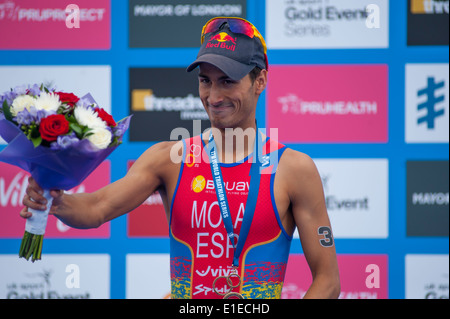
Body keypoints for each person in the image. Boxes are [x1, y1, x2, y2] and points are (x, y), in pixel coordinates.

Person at [20, 17, 340, 299]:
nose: (214, 97)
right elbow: (97, 208)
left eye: (227, 81)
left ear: (260, 81)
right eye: (205, 81)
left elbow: (328, 281)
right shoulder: (169, 159)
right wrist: (56, 202)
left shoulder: (293, 169)